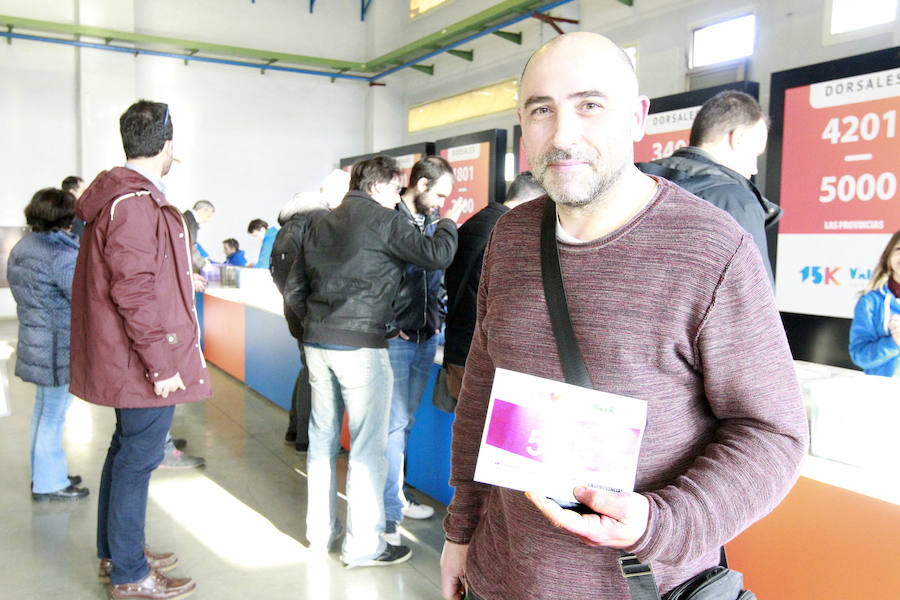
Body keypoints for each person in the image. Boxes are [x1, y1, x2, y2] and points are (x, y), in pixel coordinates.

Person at [440, 32, 809, 600]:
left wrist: (661, 523)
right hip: (499, 577)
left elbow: (773, 432)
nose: (563, 134)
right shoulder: (511, 237)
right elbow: (482, 396)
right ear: (523, 125)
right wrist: (460, 532)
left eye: (590, 105)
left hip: (635, 586)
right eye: (543, 110)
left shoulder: (711, 249)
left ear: (637, 118)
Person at [283, 155, 461, 568]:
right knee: (366, 447)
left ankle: (321, 533)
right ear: (381, 187)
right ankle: (364, 545)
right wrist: (447, 220)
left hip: (317, 343)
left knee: (323, 441)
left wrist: (308, 332)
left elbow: (293, 289)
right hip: (362, 347)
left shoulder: (320, 222)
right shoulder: (385, 220)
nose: (399, 195)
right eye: (396, 188)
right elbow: (437, 255)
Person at [70, 100, 210, 599]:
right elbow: (134, 290)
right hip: (141, 361)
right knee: (136, 461)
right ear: (167, 147)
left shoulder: (121, 196)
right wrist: (162, 363)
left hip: (128, 358)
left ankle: (118, 553)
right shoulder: (134, 202)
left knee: (123, 453)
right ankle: (130, 575)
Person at [383, 156, 457, 543]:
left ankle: (396, 495)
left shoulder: (429, 223)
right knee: (392, 427)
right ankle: (388, 515)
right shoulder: (391, 218)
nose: (443, 204)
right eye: (440, 194)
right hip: (397, 338)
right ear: (423, 184)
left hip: (427, 334)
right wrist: (391, 324)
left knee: (404, 423)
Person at [637, 90, 781, 286]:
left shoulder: (638, 183)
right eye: (754, 153)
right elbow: (756, 306)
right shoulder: (735, 202)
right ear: (737, 138)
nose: (754, 168)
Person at [8, 188, 89, 501]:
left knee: (43, 411)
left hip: (34, 337)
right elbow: (80, 298)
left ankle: (44, 474)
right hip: (58, 345)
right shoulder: (60, 254)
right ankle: (50, 484)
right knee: (53, 415)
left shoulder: (24, 246)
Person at [442, 171, 544, 397]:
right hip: (477, 354)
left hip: (460, 345)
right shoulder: (505, 230)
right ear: (534, 201)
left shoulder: (479, 220)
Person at [269, 192, 330, 452]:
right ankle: (307, 438)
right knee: (313, 376)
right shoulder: (314, 225)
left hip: (294, 313)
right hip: (310, 314)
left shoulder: (287, 229)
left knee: (307, 370)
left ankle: (295, 429)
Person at [849, 231, 900, 376]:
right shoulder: (869, 302)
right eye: (898, 249)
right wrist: (894, 342)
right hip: (880, 392)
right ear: (888, 255)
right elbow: (859, 355)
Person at [182, 199, 215, 273]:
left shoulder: (187, 217)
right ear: (202, 210)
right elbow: (190, 246)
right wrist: (203, 264)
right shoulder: (190, 221)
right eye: (208, 216)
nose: (207, 220)